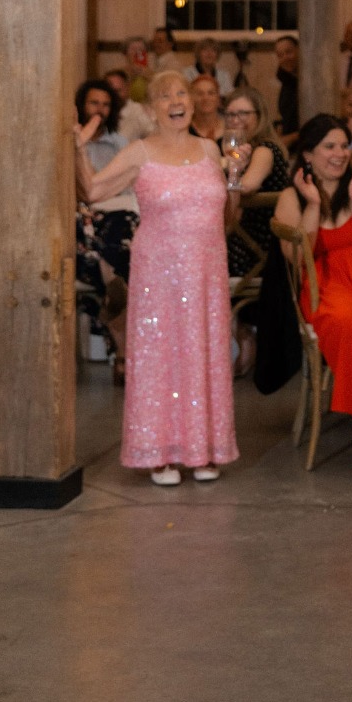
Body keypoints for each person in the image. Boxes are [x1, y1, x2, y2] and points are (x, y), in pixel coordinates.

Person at [74, 71, 236, 485]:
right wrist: (77, 150)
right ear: (151, 109)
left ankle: (204, 448)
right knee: (162, 358)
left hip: (206, 272)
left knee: (204, 353)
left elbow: (226, 215)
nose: (176, 101)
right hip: (158, 274)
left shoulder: (209, 149)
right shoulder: (139, 152)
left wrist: (236, 182)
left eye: (181, 93)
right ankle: (160, 452)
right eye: (165, 96)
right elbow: (92, 191)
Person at [275, 114, 352, 475]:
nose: (340, 153)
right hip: (327, 280)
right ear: (308, 156)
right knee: (346, 320)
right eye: (329, 146)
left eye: (344, 145)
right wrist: (314, 204)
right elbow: (298, 257)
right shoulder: (291, 197)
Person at [224, 85, 293, 379]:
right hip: (251, 242)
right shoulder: (247, 148)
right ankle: (243, 338)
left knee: (204, 263)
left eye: (243, 113)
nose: (236, 119)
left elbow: (248, 186)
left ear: (259, 115)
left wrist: (230, 171)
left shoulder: (264, 148)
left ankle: (245, 338)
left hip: (261, 248)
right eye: (231, 114)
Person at [73, 79, 138, 368]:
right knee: (95, 251)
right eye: (93, 103)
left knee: (120, 233)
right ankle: (120, 336)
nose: (99, 109)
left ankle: (116, 334)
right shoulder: (70, 142)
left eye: (105, 104)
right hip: (81, 214)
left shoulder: (120, 143)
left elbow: (128, 187)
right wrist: (79, 145)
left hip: (116, 211)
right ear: (81, 106)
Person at [273, 34, 300, 141]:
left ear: (299, 50)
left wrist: (289, 138)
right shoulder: (286, 81)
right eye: (280, 55)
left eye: (289, 52)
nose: (285, 58)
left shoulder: (310, 82)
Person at [188, 73, 225, 143]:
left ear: (218, 98)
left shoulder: (230, 128)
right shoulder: (185, 130)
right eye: (200, 93)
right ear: (191, 99)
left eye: (211, 93)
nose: (206, 98)